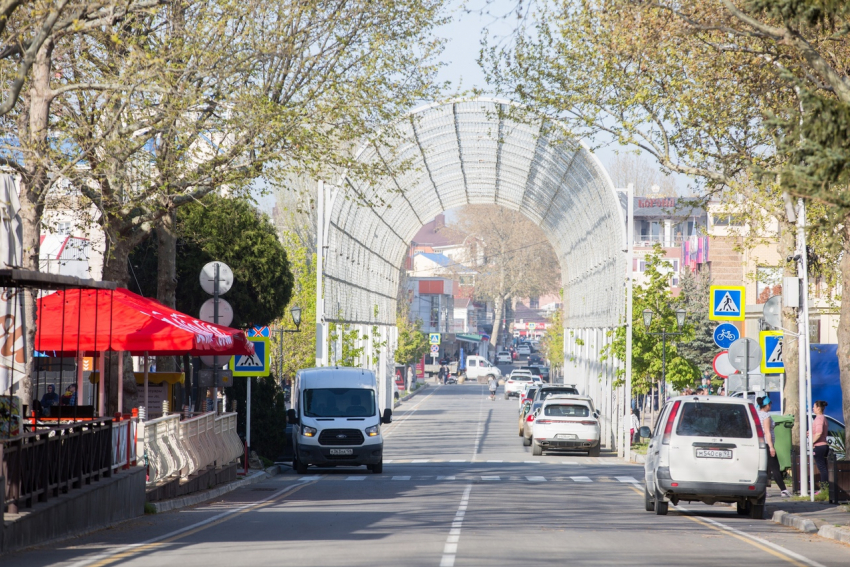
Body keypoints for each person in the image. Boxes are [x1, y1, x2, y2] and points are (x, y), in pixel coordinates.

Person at [757, 396, 790, 498]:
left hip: (759, 444)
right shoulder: (766, 416)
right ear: (767, 405)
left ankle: (763, 491)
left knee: (764, 468)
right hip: (767, 444)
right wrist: (771, 447)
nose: (770, 406)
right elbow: (767, 432)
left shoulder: (757, 414)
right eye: (770, 404)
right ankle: (784, 490)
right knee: (775, 467)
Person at [812, 400, 830, 495]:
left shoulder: (819, 419)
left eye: (814, 407)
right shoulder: (823, 418)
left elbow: (819, 433)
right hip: (823, 446)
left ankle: (823, 489)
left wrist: (812, 442)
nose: (813, 408)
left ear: (818, 408)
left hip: (819, 446)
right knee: (824, 467)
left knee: (822, 468)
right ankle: (825, 488)